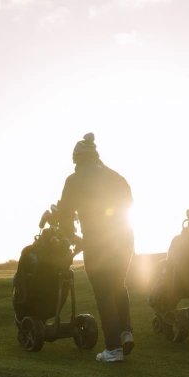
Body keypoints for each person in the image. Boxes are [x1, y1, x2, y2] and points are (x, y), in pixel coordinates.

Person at [57, 133, 135, 363]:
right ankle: (125, 331)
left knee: (103, 292)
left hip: (98, 241)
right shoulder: (117, 177)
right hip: (125, 238)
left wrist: (71, 237)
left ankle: (113, 348)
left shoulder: (74, 180)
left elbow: (65, 215)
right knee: (118, 285)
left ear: (78, 159)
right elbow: (129, 206)